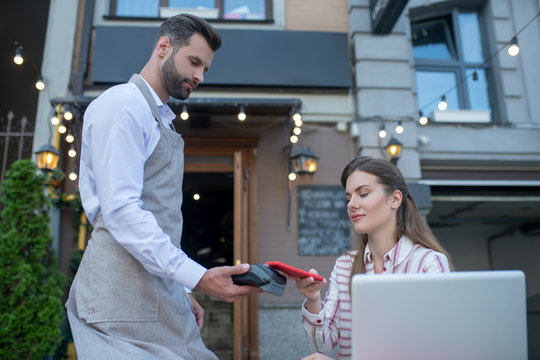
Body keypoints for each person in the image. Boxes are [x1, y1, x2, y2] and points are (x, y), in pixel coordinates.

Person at [66, 13, 261, 359]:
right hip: (119, 293)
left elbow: (157, 218)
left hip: (153, 288)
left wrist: (182, 288)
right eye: (194, 62)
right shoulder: (123, 105)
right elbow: (121, 212)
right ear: (163, 47)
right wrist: (198, 277)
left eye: (205, 69)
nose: (200, 77)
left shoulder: (161, 119)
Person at [296, 156, 453, 360]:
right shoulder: (345, 265)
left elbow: (438, 349)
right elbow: (323, 346)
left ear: (395, 199)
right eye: (348, 198)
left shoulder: (428, 263)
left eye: (363, 194)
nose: (351, 204)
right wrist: (313, 299)